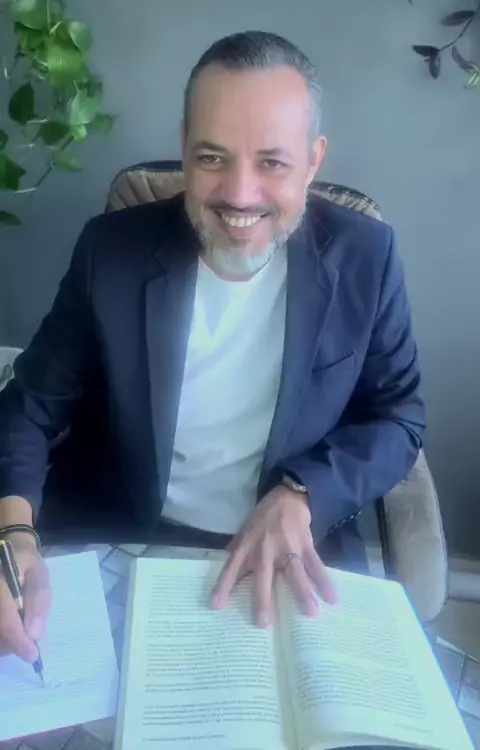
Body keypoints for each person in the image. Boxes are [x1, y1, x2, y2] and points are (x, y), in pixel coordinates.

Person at [0, 31, 425, 667]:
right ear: (184, 148)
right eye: (212, 158)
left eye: (272, 163)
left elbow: (398, 416)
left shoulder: (368, 258)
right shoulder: (109, 252)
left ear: (313, 160)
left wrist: (305, 494)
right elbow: (30, 406)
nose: (240, 194)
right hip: (120, 530)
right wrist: (12, 535)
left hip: (291, 553)